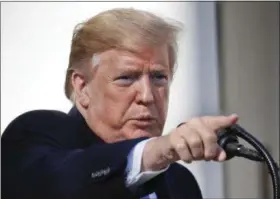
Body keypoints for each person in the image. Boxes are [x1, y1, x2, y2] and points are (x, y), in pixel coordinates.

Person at [1, 8, 238, 199]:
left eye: (159, 77)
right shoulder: (36, 133)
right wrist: (156, 151)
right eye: (126, 78)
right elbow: (61, 182)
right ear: (82, 87)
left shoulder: (179, 182)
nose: (147, 95)